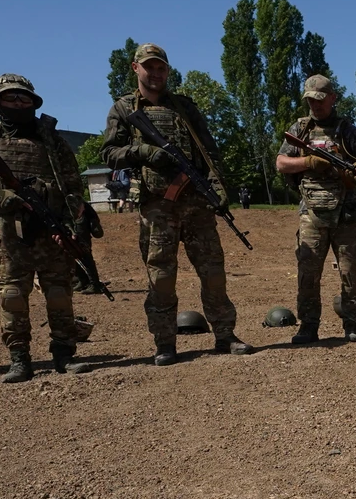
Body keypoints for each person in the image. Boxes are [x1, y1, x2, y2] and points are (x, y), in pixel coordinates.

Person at [100, 43, 250, 365]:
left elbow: (209, 150)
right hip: (158, 208)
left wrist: (218, 186)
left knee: (213, 273)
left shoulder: (184, 107)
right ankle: (165, 343)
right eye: (149, 67)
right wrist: (143, 153)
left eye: (161, 68)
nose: (155, 73)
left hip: (196, 204)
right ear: (135, 68)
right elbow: (109, 153)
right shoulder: (124, 109)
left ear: (167, 71)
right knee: (162, 278)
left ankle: (225, 335)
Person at [0, 74, 88, 382]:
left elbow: (72, 184)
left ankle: (64, 355)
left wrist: (68, 221)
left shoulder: (51, 139)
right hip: (8, 229)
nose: (18, 103)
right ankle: (19, 359)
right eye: (10, 97)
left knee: (59, 293)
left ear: (33, 101)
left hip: (50, 228)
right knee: (13, 294)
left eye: (23, 98)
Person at [276, 73, 356, 343]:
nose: (315, 105)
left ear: (333, 98)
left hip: (346, 212)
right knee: (309, 273)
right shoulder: (300, 129)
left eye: (319, 100)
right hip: (312, 213)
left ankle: (352, 325)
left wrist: (355, 168)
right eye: (310, 100)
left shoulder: (346, 129)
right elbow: (281, 162)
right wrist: (308, 163)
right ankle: (308, 327)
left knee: (350, 272)